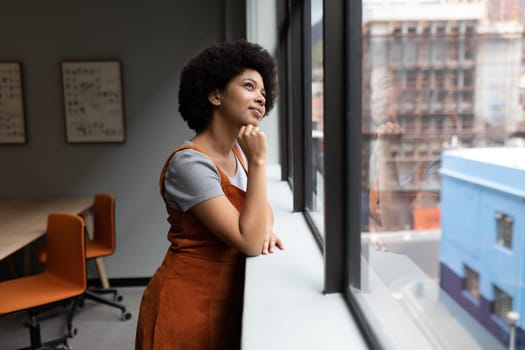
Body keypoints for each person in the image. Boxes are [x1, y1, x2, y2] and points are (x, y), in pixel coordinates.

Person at [135, 40, 284, 350]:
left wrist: (263, 227)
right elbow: (249, 241)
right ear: (215, 95)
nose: (260, 96)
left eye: (263, 92)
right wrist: (259, 162)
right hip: (186, 305)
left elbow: (262, 212)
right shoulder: (190, 162)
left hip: (223, 300)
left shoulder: (238, 155)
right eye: (248, 86)